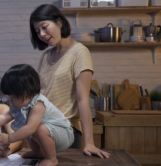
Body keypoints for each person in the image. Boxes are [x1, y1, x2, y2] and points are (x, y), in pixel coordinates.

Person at [29, 4, 110, 158]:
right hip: (43, 128)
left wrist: (89, 142)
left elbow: (82, 99)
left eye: (44, 27)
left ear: (59, 22)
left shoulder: (79, 53)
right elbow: (39, 94)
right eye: (38, 31)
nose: (42, 34)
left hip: (65, 129)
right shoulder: (45, 56)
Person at [0, 64, 74, 166]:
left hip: (63, 134)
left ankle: (51, 158)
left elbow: (30, 128)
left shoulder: (38, 104)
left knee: (34, 128)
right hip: (48, 133)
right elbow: (4, 117)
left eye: (12, 97)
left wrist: (9, 138)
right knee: (23, 126)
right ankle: (37, 152)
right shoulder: (19, 104)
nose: (11, 101)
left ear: (27, 93)